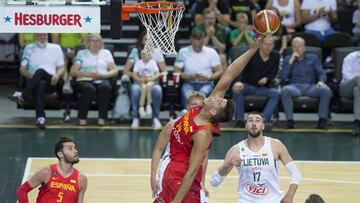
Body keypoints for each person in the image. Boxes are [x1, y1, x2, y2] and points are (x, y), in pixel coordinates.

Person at [153, 35, 262, 203]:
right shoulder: (200, 109)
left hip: (183, 181)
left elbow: (192, 171)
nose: (216, 96)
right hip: (170, 170)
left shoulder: (203, 134)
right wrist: (252, 50)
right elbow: (229, 74)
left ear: (213, 112)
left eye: (218, 100)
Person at [210, 111, 301, 203]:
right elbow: (214, 182)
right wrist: (227, 165)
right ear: (246, 125)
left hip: (273, 200)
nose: (254, 123)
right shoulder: (236, 150)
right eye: (250, 120)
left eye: (257, 120)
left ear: (263, 126)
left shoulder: (276, 145)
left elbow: (296, 174)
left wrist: (290, 195)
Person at [151, 91, 209, 202]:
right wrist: (153, 177)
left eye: (200, 106)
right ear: (187, 107)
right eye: (194, 105)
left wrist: (202, 183)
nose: (196, 108)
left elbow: (204, 159)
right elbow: (158, 149)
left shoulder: (205, 131)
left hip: (191, 170)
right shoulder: (173, 125)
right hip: (170, 168)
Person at [9, 33, 65, 129]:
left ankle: (23, 96)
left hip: (52, 81)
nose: (43, 38)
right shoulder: (28, 48)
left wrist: (57, 75)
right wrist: (32, 77)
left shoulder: (56, 48)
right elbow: (22, 69)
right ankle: (41, 118)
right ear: (34, 37)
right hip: (34, 81)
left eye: (45, 35)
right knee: (40, 83)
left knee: (40, 71)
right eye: (39, 35)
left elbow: (61, 67)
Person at [280, 37, 332, 129]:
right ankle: (290, 121)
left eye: (299, 46)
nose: (297, 49)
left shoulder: (313, 58)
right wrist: (290, 62)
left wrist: (321, 81)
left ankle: (322, 120)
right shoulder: (288, 59)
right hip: (295, 87)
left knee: (326, 90)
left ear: (304, 48)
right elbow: (283, 77)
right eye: (294, 47)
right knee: (285, 90)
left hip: (311, 87)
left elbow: (322, 73)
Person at [16, 137, 87, 203]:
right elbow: (22, 190)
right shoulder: (46, 172)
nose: (76, 151)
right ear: (60, 154)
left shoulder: (81, 179)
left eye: (75, 148)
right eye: (70, 148)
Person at [232, 36, 280, 130]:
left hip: (264, 88)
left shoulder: (276, 56)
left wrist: (267, 78)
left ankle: (263, 120)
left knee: (276, 93)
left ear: (273, 46)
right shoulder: (252, 54)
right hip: (248, 85)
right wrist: (238, 82)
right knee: (236, 90)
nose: (267, 47)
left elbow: (274, 72)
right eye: (266, 44)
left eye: (270, 45)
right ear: (261, 44)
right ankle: (240, 120)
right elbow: (241, 70)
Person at [70, 33, 118, 126]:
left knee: (105, 87)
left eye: (98, 41)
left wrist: (104, 75)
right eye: (93, 41)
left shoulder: (106, 53)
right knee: (88, 88)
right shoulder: (82, 53)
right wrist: (89, 74)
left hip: (102, 78)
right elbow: (73, 71)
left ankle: (102, 118)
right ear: (88, 42)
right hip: (86, 79)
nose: (96, 43)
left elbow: (115, 70)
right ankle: (82, 118)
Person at [123, 31, 166, 129]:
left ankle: (155, 118)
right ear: (141, 41)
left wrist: (152, 78)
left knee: (158, 90)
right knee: (135, 89)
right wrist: (138, 77)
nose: (148, 42)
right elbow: (126, 70)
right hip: (139, 82)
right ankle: (136, 117)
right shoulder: (135, 52)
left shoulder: (157, 52)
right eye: (146, 39)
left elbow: (164, 71)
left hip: (153, 82)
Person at [174, 29, 223, 110]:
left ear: (203, 39)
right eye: (195, 39)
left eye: (199, 39)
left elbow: (220, 71)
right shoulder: (183, 52)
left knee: (203, 94)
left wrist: (209, 77)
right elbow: (176, 70)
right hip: (189, 82)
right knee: (187, 94)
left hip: (206, 82)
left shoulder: (211, 52)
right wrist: (188, 76)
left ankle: (202, 117)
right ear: (191, 39)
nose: (197, 43)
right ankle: (186, 116)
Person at [133, 50, 160, 118]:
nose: (146, 56)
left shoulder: (153, 63)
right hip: (141, 81)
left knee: (148, 86)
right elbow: (134, 74)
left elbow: (158, 74)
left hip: (151, 80)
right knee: (144, 88)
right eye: (144, 54)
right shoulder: (138, 63)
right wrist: (139, 79)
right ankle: (141, 107)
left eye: (148, 54)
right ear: (141, 55)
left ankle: (148, 105)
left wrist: (152, 79)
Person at [340, 49, 360, 136]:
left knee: (357, 90)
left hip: (357, 88)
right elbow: (346, 76)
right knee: (358, 78)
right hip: (346, 87)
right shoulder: (351, 57)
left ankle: (357, 122)